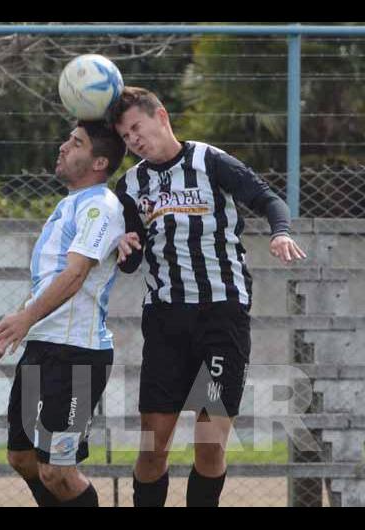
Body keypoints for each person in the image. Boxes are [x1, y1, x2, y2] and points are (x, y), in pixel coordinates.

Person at [107, 86, 307, 507]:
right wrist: (123, 246)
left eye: (136, 128)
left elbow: (268, 198)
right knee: (152, 446)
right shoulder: (131, 185)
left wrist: (281, 232)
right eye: (125, 137)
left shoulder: (209, 161)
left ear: (161, 116)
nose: (134, 140)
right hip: (166, 325)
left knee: (210, 442)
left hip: (222, 320)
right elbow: (129, 262)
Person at [0, 120, 132, 507]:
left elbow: (76, 274)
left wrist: (25, 320)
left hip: (76, 357)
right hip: (42, 349)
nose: (63, 147)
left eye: (76, 142)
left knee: (58, 470)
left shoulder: (101, 206)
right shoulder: (67, 206)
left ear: (99, 162)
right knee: (23, 458)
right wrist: (11, 330)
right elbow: (45, 283)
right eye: (67, 139)